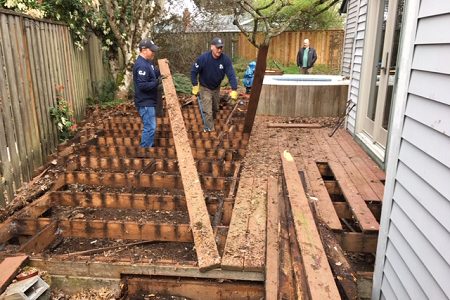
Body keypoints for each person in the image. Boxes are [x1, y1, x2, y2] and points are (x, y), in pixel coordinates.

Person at [191, 37, 238, 132]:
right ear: (212, 47)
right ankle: (209, 130)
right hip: (205, 87)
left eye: (221, 48)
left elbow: (231, 74)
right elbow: (193, 72)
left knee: (215, 109)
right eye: (217, 48)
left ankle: (209, 123)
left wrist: (234, 89)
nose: (219, 50)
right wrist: (195, 85)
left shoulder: (225, 60)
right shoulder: (203, 59)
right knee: (208, 111)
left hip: (216, 87)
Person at [133, 38, 160, 148]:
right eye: (152, 50)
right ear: (144, 50)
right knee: (150, 127)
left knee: (150, 127)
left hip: (149, 101)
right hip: (145, 102)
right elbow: (142, 85)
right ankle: (144, 151)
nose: (154, 52)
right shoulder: (141, 65)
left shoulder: (148, 62)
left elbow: (153, 73)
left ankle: (148, 148)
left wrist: (162, 69)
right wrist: (157, 83)